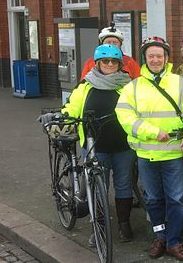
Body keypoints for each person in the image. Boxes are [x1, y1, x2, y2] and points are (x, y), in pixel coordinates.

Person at [116, 36, 183, 261]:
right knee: (154, 200)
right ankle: (161, 238)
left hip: (174, 154)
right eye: (151, 56)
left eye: (159, 55)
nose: (155, 59)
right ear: (145, 59)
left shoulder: (182, 84)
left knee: (176, 200)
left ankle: (175, 241)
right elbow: (125, 116)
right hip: (146, 154)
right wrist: (152, 131)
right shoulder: (133, 87)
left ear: (166, 58)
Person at [61, 44, 134, 244]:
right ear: (98, 63)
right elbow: (72, 107)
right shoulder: (85, 86)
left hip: (124, 146)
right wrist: (62, 119)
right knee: (98, 187)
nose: (109, 64)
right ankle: (99, 225)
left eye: (113, 61)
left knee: (124, 185)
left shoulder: (128, 86)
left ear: (120, 64)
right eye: (105, 61)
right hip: (95, 147)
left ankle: (124, 223)